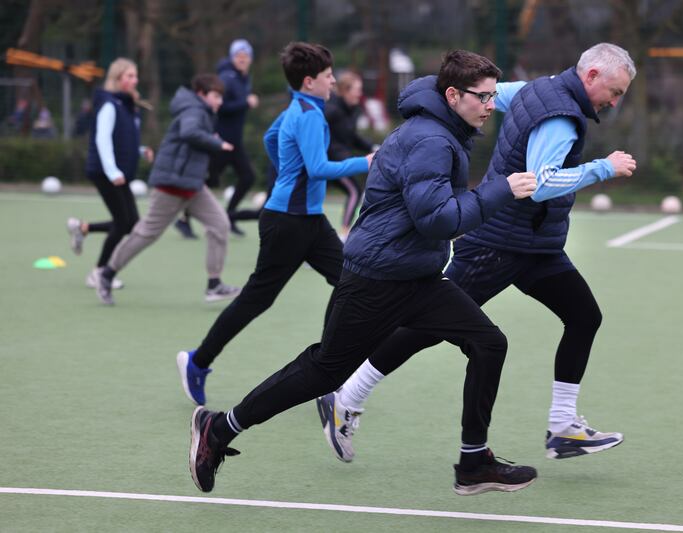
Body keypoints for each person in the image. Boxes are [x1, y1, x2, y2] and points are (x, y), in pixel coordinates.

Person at [187, 48, 540, 497]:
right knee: (324, 371)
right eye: (483, 96)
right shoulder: (431, 140)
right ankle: (219, 428)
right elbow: (436, 219)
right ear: (453, 95)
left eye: (494, 96)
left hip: (416, 275)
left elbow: (434, 214)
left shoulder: (443, 131)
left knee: (489, 342)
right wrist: (498, 192)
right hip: (378, 277)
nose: (491, 105)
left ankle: (473, 463)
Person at [317, 43, 638, 465]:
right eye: (614, 91)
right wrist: (603, 167)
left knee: (584, 316)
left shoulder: (537, 88)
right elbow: (541, 183)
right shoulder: (560, 116)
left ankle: (563, 427)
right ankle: (346, 396)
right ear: (592, 75)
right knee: (426, 328)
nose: (614, 102)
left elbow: (491, 94)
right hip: (498, 242)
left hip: (535, 244)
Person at [176, 42, 371, 406]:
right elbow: (318, 169)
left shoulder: (298, 107)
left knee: (348, 281)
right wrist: (367, 162)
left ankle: (327, 371)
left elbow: (271, 139)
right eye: (329, 77)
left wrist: (287, 175)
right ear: (310, 81)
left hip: (308, 221)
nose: (333, 83)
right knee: (257, 299)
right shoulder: (310, 114)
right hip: (288, 223)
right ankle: (197, 362)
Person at [94, 74, 241, 306]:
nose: (219, 101)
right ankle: (106, 274)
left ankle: (214, 285)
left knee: (220, 224)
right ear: (202, 94)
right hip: (172, 184)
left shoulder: (200, 111)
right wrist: (217, 143)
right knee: (146, 234)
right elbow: (189, 132)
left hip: (192, 184)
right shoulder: (195, 110)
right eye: (216, 96)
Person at [66, 58, 153, 291]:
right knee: (124, 222)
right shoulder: (108, 104)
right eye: (129, 76)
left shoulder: (127, 105)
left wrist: (140, 150)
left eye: (135, 76)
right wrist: (112, 170)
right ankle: (99, 272)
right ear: (116, 79)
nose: (134, 81)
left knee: (131, 223)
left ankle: (83, 228)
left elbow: (120, 139)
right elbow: (102, 140)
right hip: (105, 172)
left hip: (118, 172)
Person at [175, 39, 258, 239]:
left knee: (247, 177)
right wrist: (245, 103)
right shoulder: (227, 78)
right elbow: (220, 107)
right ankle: (183, 219)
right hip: (220, 141)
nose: (242, 59)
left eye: (245, 56)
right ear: (232, 57)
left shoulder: (243, 78)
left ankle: (229, 216)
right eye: (238, 55)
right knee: (209, 181)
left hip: (234, 143)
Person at [324, 71, 375, 238]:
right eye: (357, 89)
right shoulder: (331, 110)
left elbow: (351, 137)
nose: (360, 93)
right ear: (345, 90)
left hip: (340, 161)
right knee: (354, 190)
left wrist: (372, 147)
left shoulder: (351, 110)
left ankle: (342, 233)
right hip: (330, 163)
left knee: (354, 191)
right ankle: (344, 234)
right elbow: (320, 136)